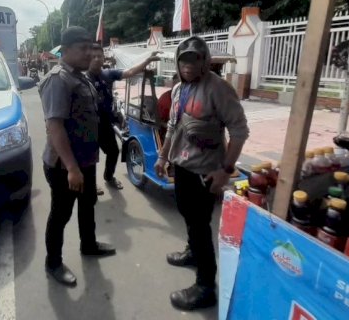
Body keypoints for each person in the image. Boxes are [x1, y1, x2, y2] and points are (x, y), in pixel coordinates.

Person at [154, 36, 249, 311]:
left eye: (195, 59)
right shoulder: (177, 90)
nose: (188, 65)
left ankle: (206, 286)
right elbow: (173, 126)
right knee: (187, 215)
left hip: (207, 172)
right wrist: (163, 157)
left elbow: (240, 131)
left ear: (205, 61)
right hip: (182, 166)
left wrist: (225, 171)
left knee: (200, 225)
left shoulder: (219, 89)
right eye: (183, 59)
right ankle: (193, 252)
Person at [38, 26, 116, 287]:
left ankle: (89, 244)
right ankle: (53, 263)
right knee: (61, 214)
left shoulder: (80, 77)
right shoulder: (58, 79)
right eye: (83, 49)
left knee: (87, 204)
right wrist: (72, 168)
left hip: (85, 160)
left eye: (91, 48)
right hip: (65, 165)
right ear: (66, 50)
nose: (89, 54)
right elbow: (55, 126)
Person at [87, 45, 161, 195]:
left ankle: (109, 177)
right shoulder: (83, 78)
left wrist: (147, 61)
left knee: (113, 151)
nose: (96, 59)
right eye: (92, 56)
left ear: (103, 58)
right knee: (90, 158)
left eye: (98, 56)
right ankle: (90, 185)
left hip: (106, 123)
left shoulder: (108, 74)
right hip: (88, 125)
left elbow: (131, 71)